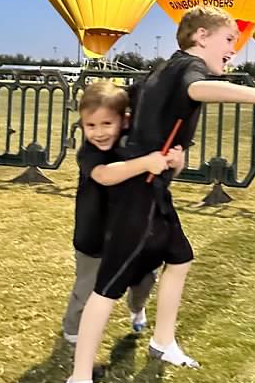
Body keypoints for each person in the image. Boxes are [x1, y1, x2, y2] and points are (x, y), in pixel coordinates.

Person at [65, 6, 255, 383]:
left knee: (180, 258)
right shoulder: (190, 68)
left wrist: (171, 154)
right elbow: (199, 90)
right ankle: (79, 379)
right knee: (108, 287)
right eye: (229, 40)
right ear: (201, 36)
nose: (234, 49)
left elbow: (147, 109)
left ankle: (163, 341)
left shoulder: (163, 69)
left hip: (153, 190)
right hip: (137, 195)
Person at [61, 80, 185, 345]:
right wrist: (145, 163)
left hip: (135, 234)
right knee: (87, 288)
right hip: (95, 237)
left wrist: (174, 163)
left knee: (144, 280)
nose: (99, 133)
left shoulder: (136, 145)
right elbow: (104, 175)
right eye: (90, 125)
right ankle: (73, 329)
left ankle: (137, 307)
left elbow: (161, 177)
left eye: (107, 123)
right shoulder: (89, 153)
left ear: (125, 120)